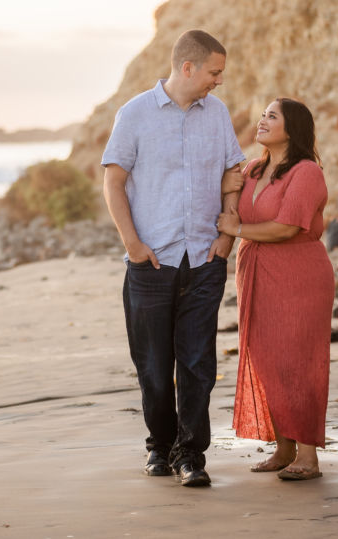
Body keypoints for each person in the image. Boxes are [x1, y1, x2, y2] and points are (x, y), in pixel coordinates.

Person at [102, 30, 245, 487]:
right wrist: (133, 245)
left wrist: (228, 233)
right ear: (188, 68)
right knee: (153, 366)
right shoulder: (135, 114)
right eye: (214, 72)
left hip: (204, 260)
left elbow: (232, 173)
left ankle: (191, 455)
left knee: (199, 363)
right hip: (151, 264)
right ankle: (158, 446)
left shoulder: (217, 113)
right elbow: (114, 182)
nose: (218, 82)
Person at [216, 97, 334, 481]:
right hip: (255, 273)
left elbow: (286, 228)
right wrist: (225, 186)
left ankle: (308, 455)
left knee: (297, 361)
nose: (262, 120)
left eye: (272, 116)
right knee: (265, 359)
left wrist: (235, 231)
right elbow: (231, 206)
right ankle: (283, 449)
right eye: (262, 114)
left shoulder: (306, 172)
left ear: (292, 127)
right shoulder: (253, 169)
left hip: (299, 275)